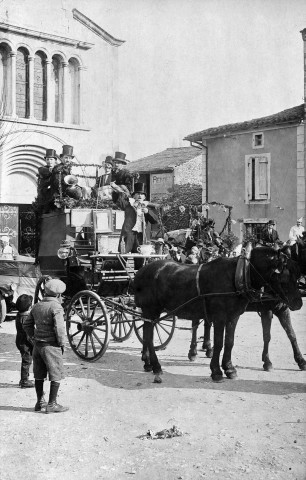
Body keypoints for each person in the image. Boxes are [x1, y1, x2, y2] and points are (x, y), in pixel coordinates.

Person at [23, 279, 68, 414]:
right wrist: (61, 344)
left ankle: (39, 402)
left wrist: (33, 338)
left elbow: (27, 324)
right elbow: (60, 329)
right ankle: (52, 404)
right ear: (58, 295)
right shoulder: (56, 307)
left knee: (39, 374)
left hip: (38, 346)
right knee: (56, 374)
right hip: (51, 346)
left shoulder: (36, 306)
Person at [117, 182, 159, 254]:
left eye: (142, 194)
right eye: (138, 194)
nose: (140, 196)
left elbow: (155, 221)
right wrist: (117, 189)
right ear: (134, 196)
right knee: (123, 256)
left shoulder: (149, 207)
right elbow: (118, 201)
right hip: (129, 233)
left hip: (142, 236)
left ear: (144, 197)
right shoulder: (128, 205)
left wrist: (147, 212)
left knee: (140, 258)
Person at [15, 294, 34, 388]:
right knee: (27, 361)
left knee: (25, 359)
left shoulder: (19, 315)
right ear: (29, 307)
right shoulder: (26, 318)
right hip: (25, 343)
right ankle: (24, 381)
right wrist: (35, 344)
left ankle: (25, 378)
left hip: (19, 340)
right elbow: (28, 336)